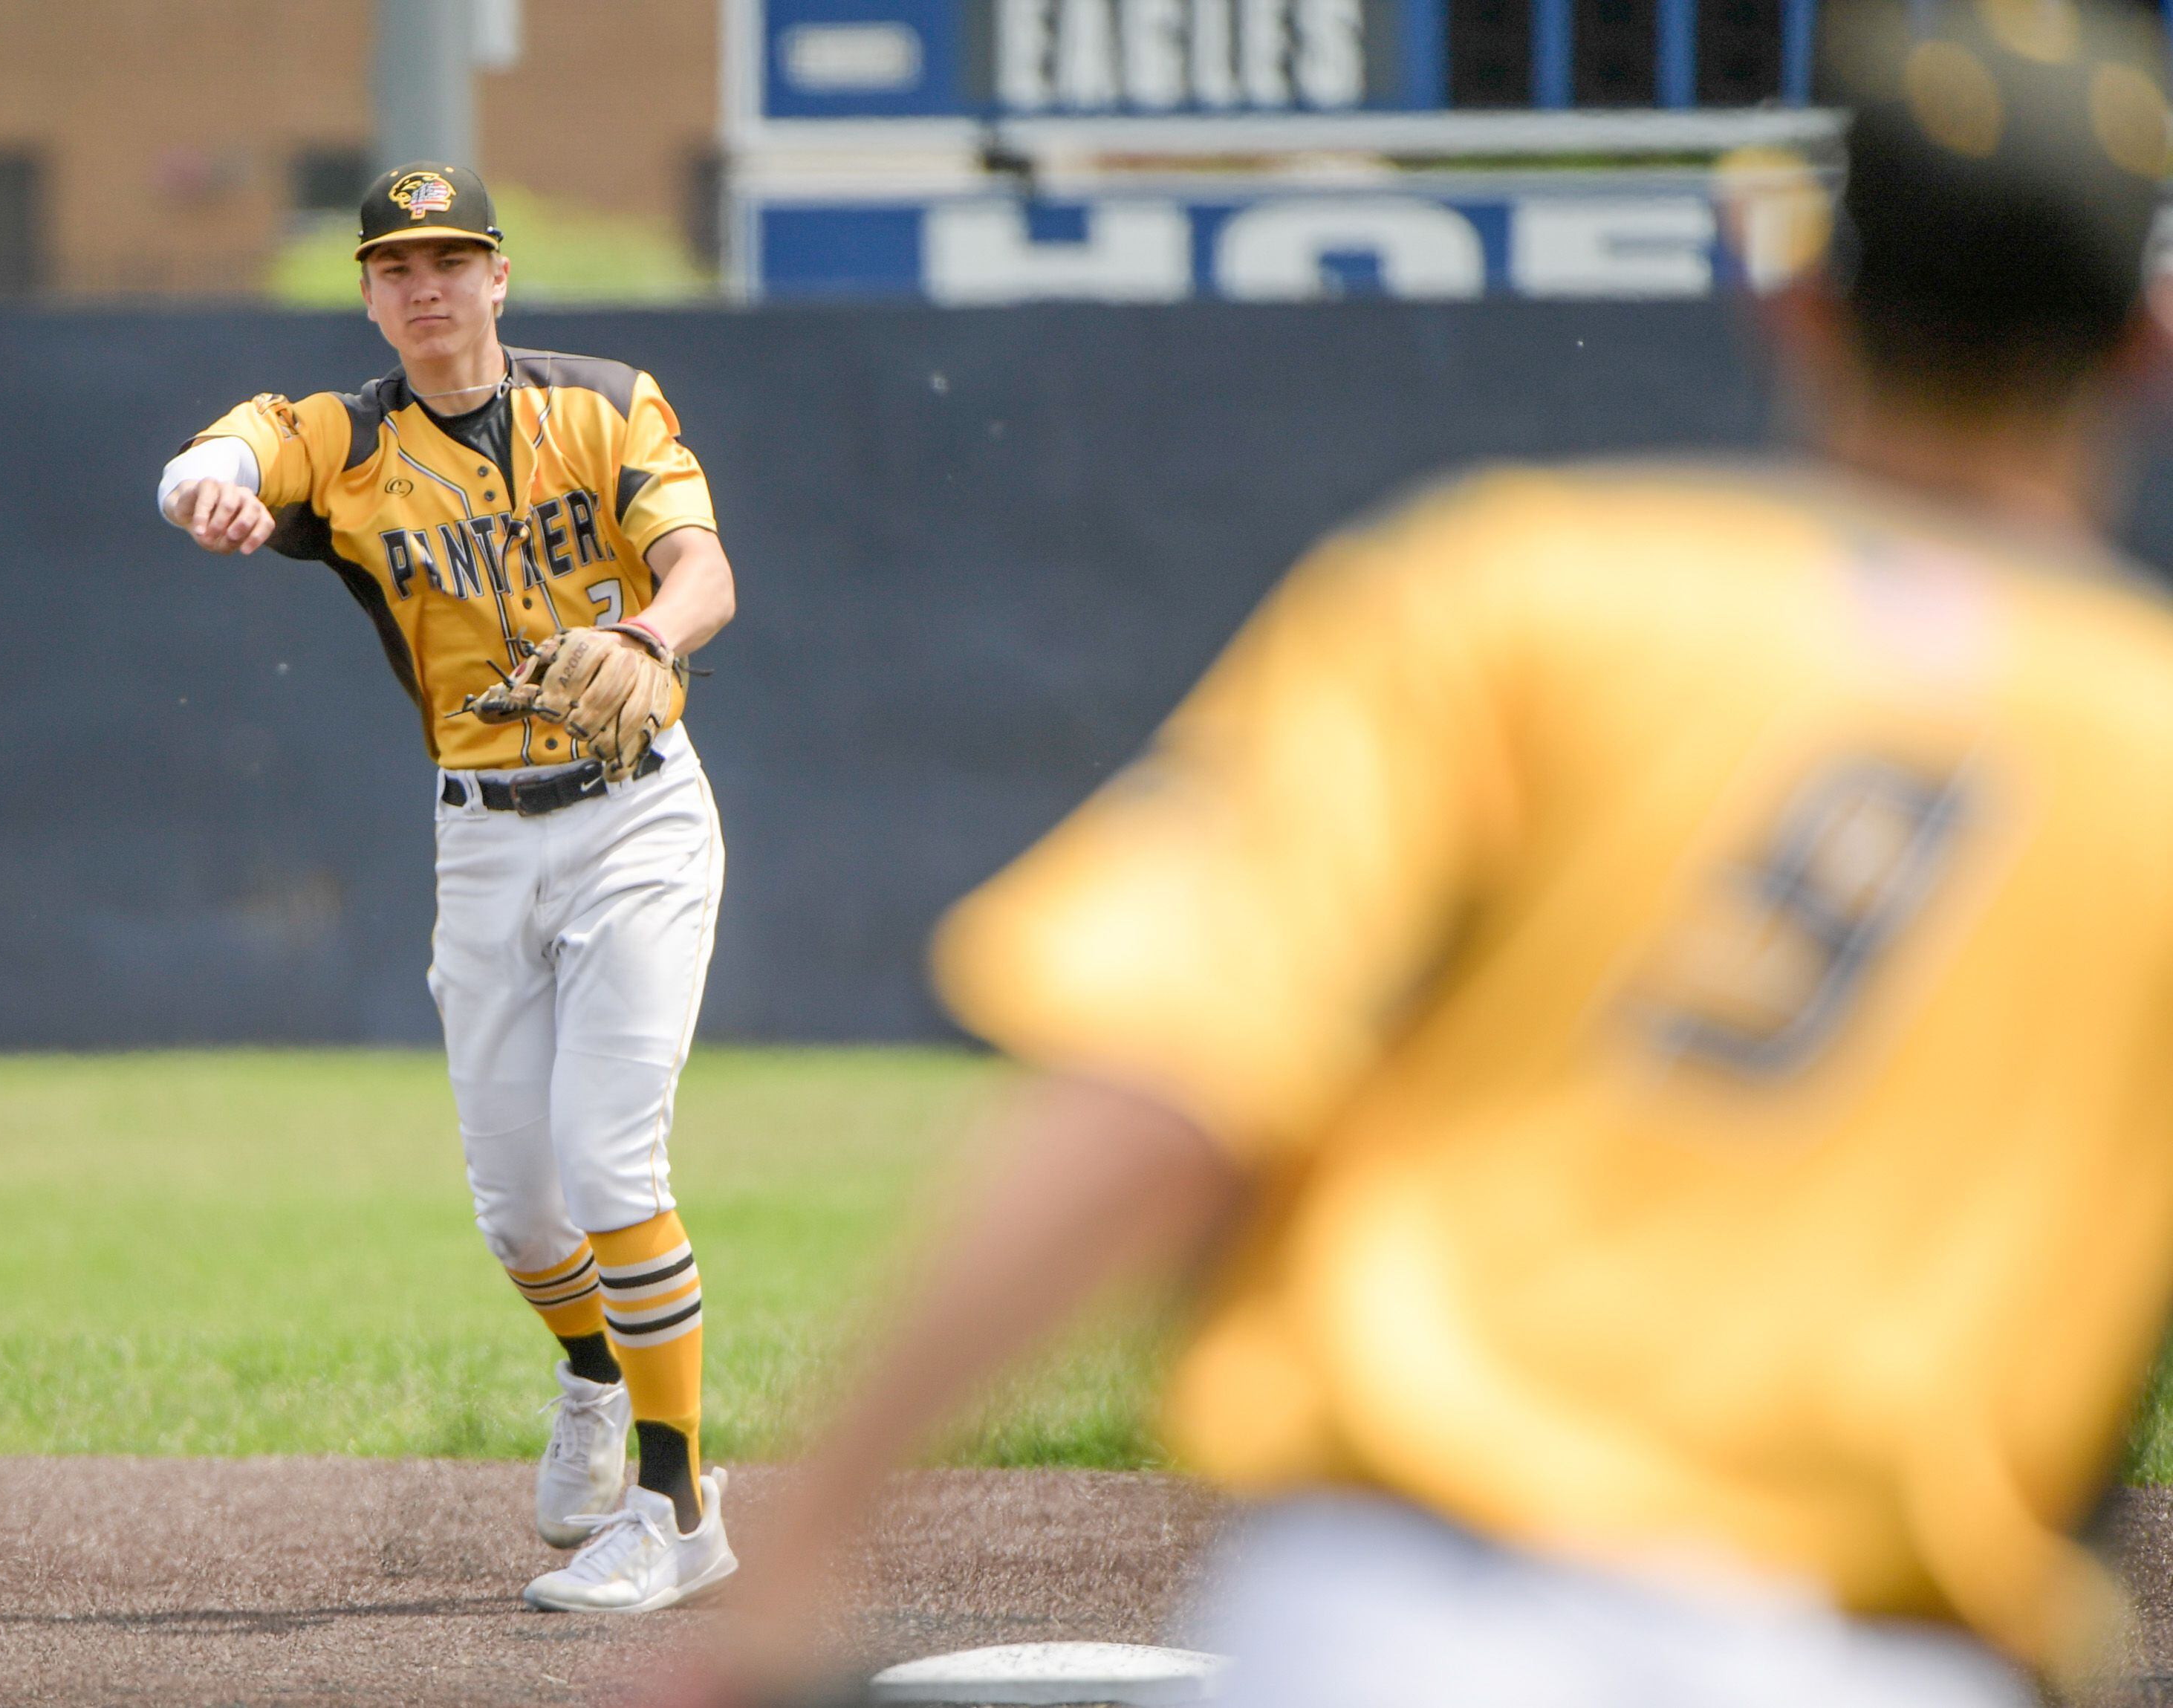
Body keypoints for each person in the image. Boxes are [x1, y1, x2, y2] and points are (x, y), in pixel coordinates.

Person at [659, 4, 2173, 1701]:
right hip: (1889, 1658)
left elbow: (1157, 1090)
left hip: (1406, 1624)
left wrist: (805, 1549)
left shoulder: (1505, 593)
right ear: (2143, 343)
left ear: (1798, 298)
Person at [157, 163, 738, 1614]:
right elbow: (228, 452)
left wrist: (656, 638)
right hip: (478, 836)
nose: (423, 285)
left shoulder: (601, 400)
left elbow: (701, 565)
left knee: (611, 1165)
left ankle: (678, 1511)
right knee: (518, 1212)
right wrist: (211, 492)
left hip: (634, 817)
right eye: (394, 265)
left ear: (497, 275)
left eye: (449, 258)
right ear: (367, 293)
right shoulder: (345, 441)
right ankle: (593, 1373)